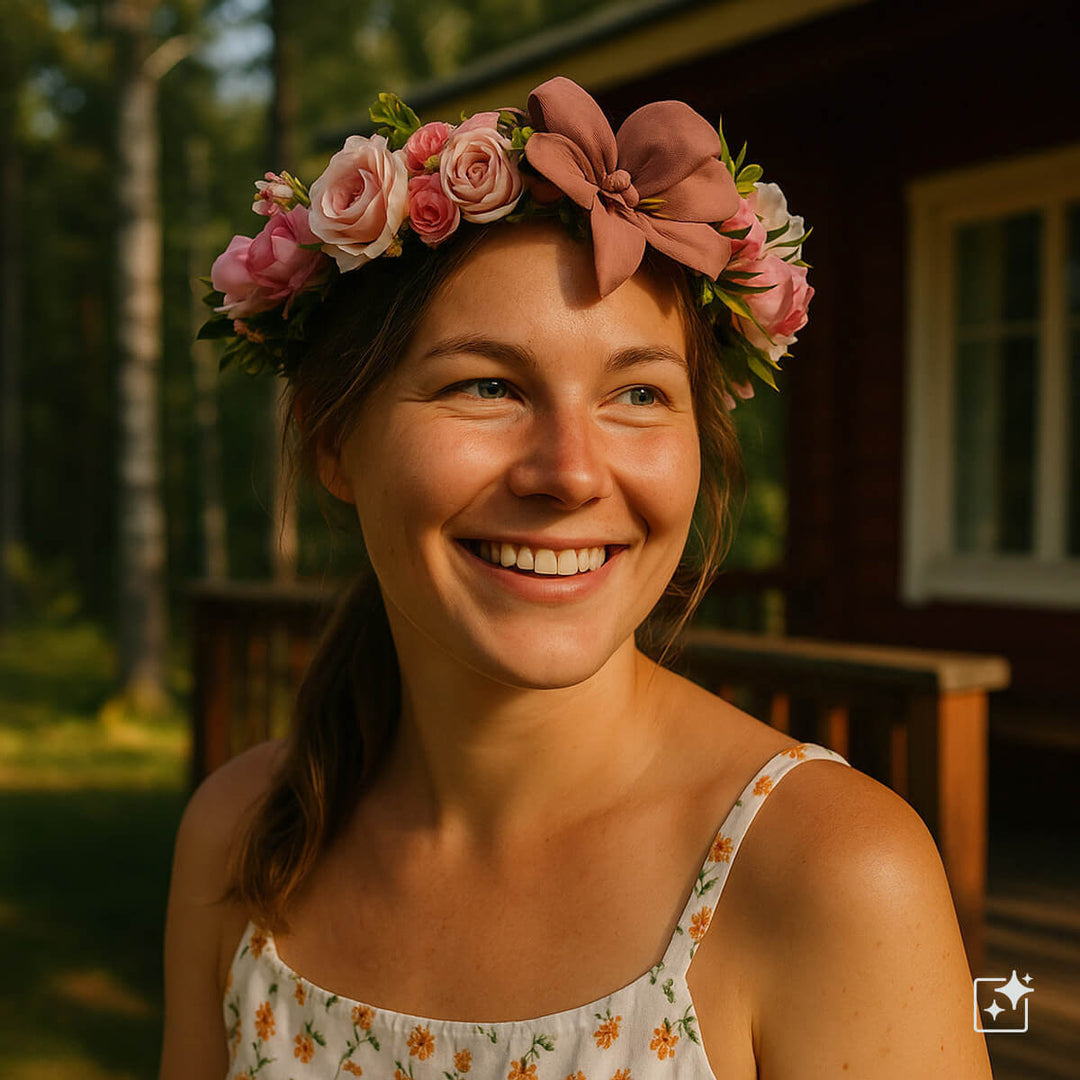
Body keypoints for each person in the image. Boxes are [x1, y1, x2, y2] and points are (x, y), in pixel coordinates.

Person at [160, 77, 993, 1079]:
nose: (571, 472)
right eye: (486, 385)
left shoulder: (830, 875)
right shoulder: (241, 839)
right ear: (334, 437)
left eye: (639, 393)